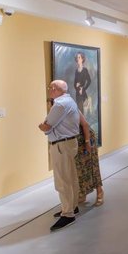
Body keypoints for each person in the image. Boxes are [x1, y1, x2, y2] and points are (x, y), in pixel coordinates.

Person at [39, 80, 81, 231]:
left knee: (63, 180)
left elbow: (47, 126)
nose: (49, 90)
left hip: (61, 145)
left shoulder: (60, 104)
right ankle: (73, 206)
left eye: (51, 87)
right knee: (71, 177)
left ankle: (68, 214)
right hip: (69, 143)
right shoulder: (69, 101)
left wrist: (42, 127)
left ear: (57, 89)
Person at [75, 111, 104, 206]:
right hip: (76, 143)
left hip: (86, 138)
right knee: (80, 169)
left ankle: (99, 192)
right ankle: (82, 193)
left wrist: (87, 142)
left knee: (92, 165)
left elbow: (85, 124)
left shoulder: (72, 108)